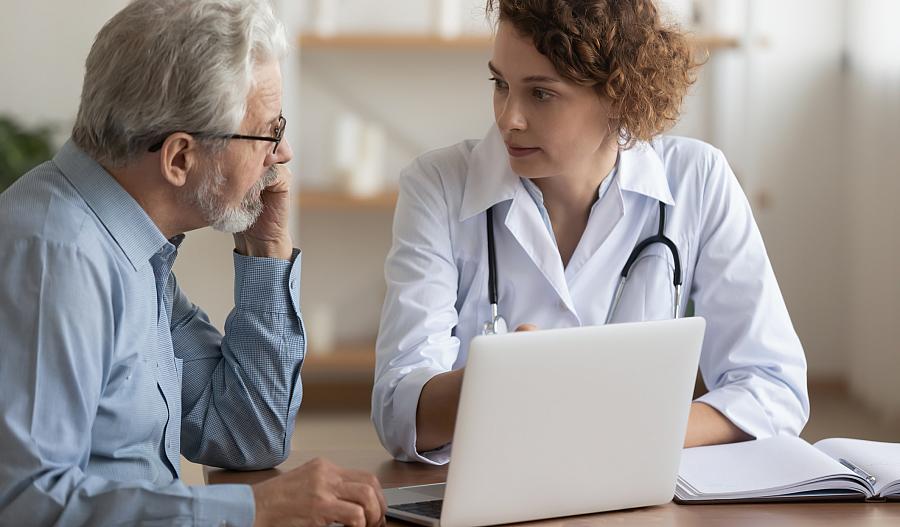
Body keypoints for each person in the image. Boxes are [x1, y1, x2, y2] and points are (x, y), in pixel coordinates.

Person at [372, 0, 809, 465]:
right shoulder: (438, 185)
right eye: (500, 84)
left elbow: (774, 387)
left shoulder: (698, 178)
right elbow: (399, 410)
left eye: (541, 94)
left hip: (639, 493)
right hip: (492, 487)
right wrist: (494, 383)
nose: (508, 119)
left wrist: (633, 429)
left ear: (621, 94)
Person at [0, 1, 385, 525]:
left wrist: (266, 249)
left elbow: (247, 434)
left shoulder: (135, 249)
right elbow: (27, 504)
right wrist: (256, 508)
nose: (284, 152)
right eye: (268, 132)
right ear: (179, 158)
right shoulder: (57, 258)